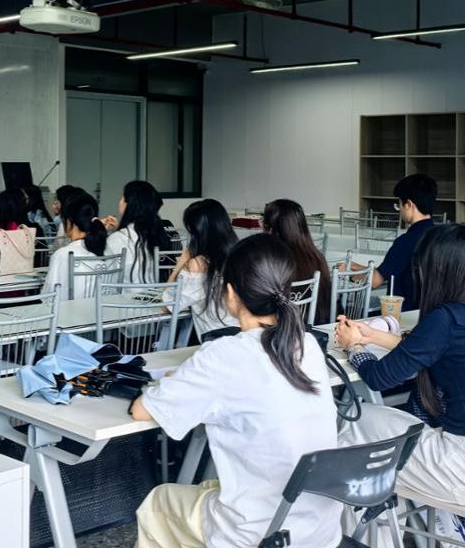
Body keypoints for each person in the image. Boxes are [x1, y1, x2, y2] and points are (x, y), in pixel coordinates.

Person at [130, 234, 341, 548]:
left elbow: (141, 411)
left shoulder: (223, 354)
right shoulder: (306, 343)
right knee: (210, 489)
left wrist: (179, 378)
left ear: (229, 293)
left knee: (158, 503)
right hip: (319, 530)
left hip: (259, 532)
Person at [334, 224, 465, 525]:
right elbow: (433, 349)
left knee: (353, 419)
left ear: (438, 270)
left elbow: (378, 378)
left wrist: (354, 347)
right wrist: (372, 335)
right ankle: (411, 530)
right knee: (382, 431)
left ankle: (362, 534)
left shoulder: (446, 318)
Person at [341, 173, 437, 309]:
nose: (399, 210)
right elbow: (388, 270)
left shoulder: (406, 241)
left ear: (409, 204)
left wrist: (347, 274)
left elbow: (375, 281)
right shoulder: (441, 236)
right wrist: (357, 267)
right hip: (433, 310)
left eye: (399, 204)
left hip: (403, 313)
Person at [165, 199, 240, 339]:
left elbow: (168, 306)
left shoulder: (198, 264)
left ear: (196, 232)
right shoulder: (241, 254)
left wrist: (179, 265)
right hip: (246, 334)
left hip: (217, 339)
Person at [263, 199, 333, 325]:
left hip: (281, 329)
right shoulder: (317, 257)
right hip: (316, 327)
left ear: (271, 230)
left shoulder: (272, 261)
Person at [43, 192, 110, 300]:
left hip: (67, 310)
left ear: (69, 222)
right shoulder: (106, 252)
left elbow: (48, 297)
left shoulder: (62, 255)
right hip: (100, 310)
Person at [104, 180, 171, 284]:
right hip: (153, 292)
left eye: (122, 198)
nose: (120, 201)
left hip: (123, 293)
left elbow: (106, 276)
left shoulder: (116, 239)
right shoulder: (155, 233)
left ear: (129, 204)